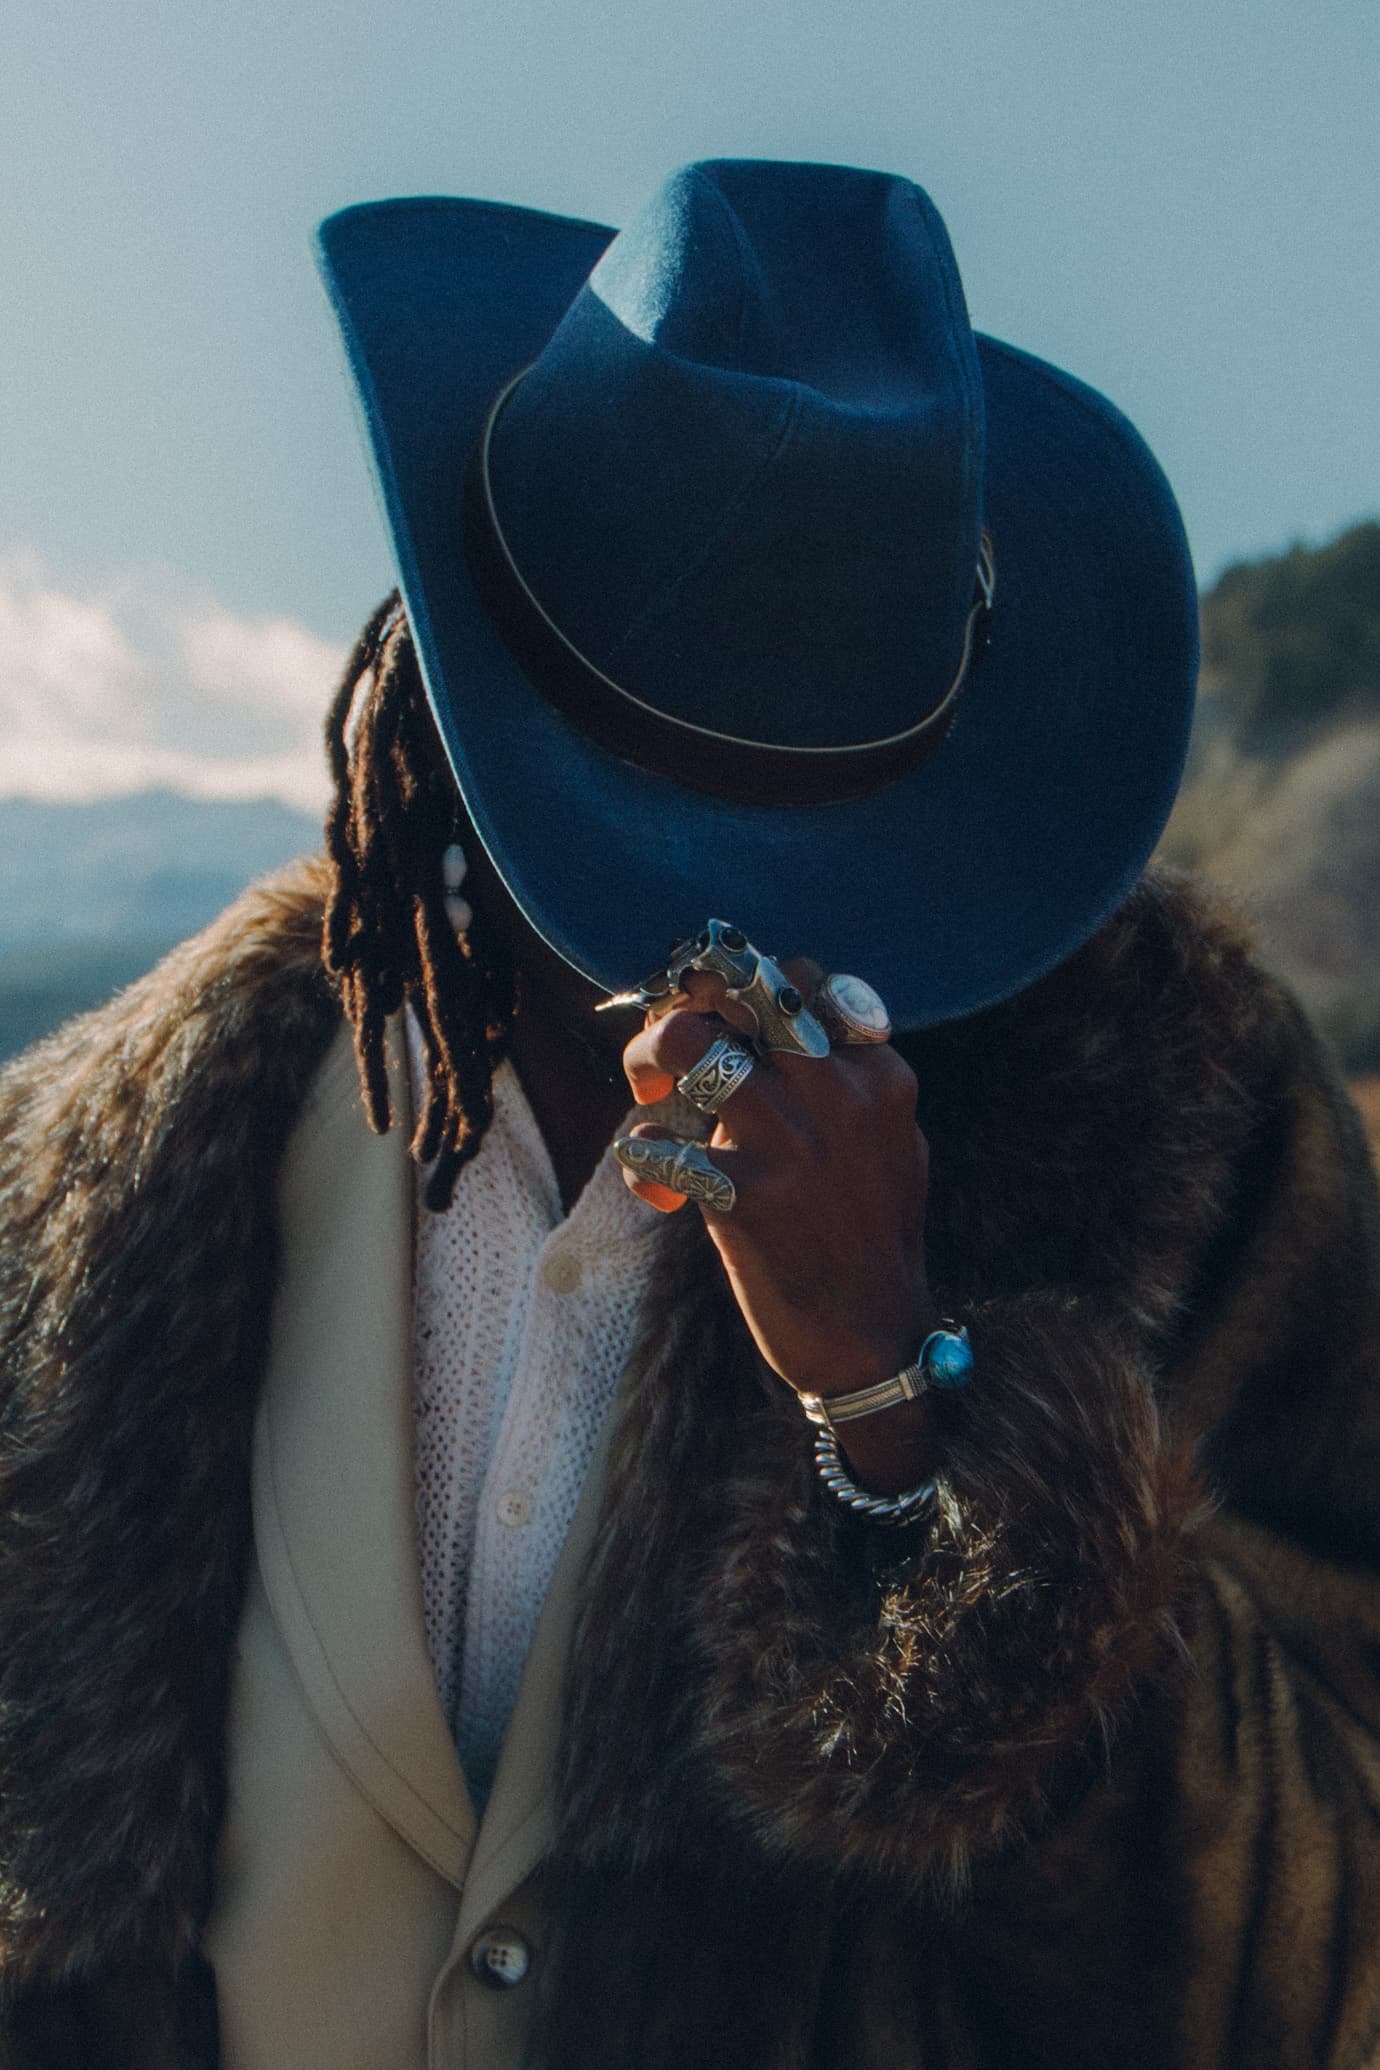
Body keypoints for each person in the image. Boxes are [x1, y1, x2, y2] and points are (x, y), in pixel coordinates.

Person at [1, 158, 1378, 2070]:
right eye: (634, 813)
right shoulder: (93, 1177)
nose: (696, 923)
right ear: (452, 676)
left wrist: (908, 1410)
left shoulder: (1188, 1137)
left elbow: (1310, 1969)